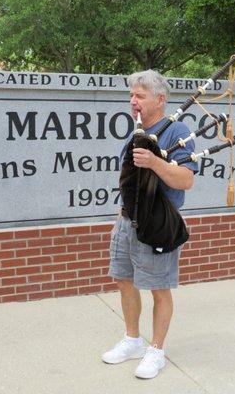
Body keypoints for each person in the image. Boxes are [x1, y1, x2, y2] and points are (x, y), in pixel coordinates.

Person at [102, 70, 198, 379]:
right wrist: (120, 219)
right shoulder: (137, 132)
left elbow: (186, 180)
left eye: (139, 96)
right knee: (123, 279)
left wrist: (156, 162)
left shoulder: (176, 130)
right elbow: (131, 183)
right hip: (127, 222)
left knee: (159, 289)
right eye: (131, 96)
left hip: (158, 223)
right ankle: (132, 340)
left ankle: (156, 350)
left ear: (160, 99)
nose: (133, 101)